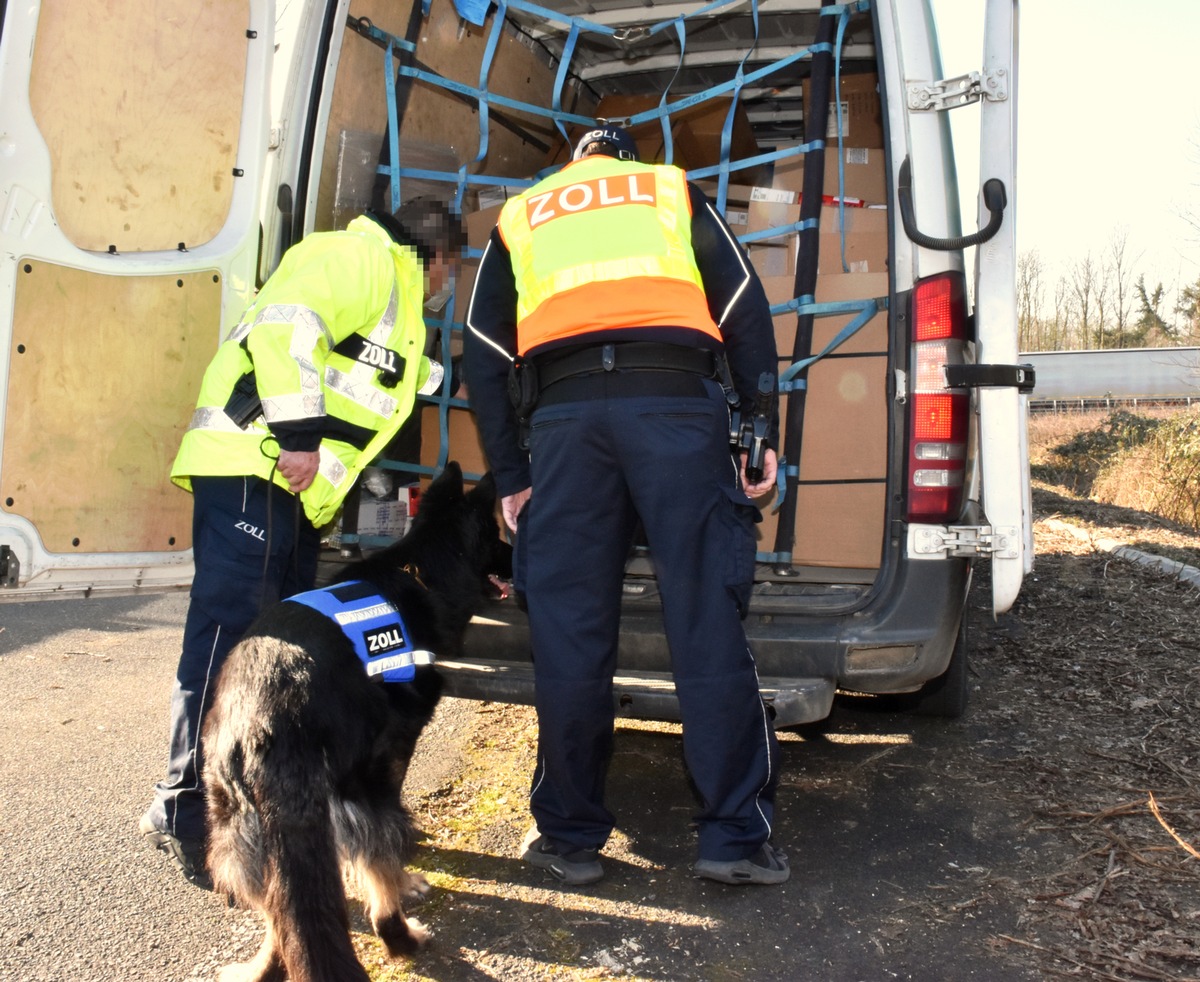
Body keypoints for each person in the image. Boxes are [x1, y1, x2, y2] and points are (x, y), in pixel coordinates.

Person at [463, 126, 788, 886]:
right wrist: (759, 424)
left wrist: (511, 473)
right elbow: (743, 304)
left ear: (575, 161)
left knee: (570, 633)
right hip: (677, 411)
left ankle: (570, 839)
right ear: (625, 160)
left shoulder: (526, 212)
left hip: (567, 425)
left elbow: (482, 345)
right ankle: (732, 840)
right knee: (705, 617)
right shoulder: (667, 189)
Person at [140, 200, 465, 888]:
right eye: (453, 271)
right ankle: (188, 805)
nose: (449, 285)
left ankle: (253, 802)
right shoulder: (358, 258)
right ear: (439, 257)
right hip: (260, 464)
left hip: (287, 490)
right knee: (230, 639)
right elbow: (287, 329)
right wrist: (299, 437)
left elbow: (402, 383)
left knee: (268, 658)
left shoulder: (399, 310)